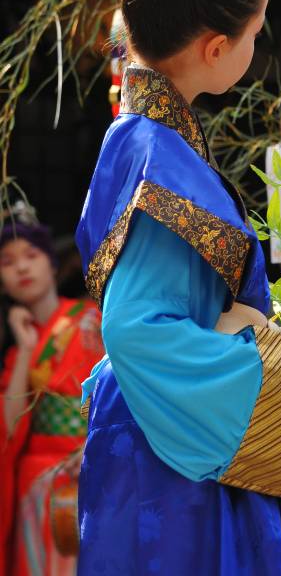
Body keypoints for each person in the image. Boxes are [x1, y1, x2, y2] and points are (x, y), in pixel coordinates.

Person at [75, 0, 281, 576]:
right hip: (175, 464)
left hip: (167, 431)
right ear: (218, 46)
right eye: (256, 34)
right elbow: (136, 330)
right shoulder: (159, 157)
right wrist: (276, 361)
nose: (256, 46)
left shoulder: (142, 138)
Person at [0, 206, 104, 576]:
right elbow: (9, 429)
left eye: (31, 256)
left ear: (52, 265)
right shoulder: (18, 351)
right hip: (35, 480)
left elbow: (118, 392)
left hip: (88, 468)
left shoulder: (92, 320)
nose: (22, 268)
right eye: (8, 262)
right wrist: (27, 348)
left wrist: (91, 447)